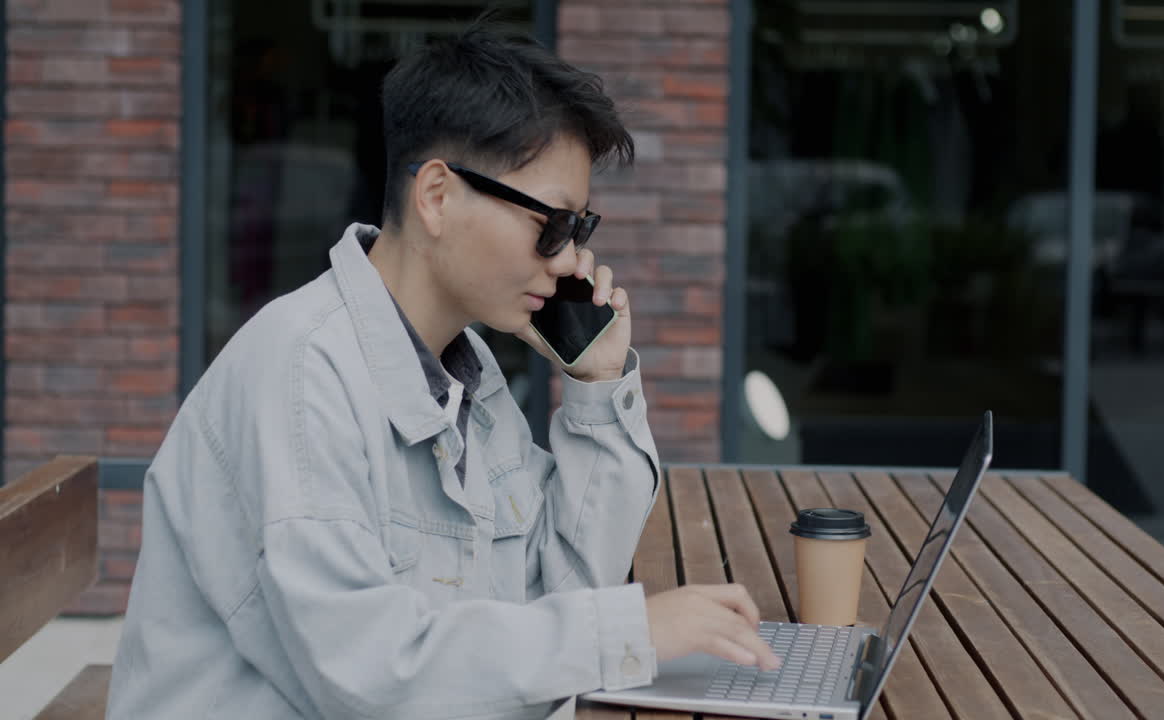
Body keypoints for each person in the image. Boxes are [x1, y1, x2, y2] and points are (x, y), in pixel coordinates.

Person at [106, 23, 779, 720]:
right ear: (436, 195)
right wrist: (627, 632)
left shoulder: (463, 369)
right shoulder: (302, 375)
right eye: (551, 225)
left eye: (580, 230)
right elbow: (369, 675)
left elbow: (559, 592)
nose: (568, 262)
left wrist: (598, 389)